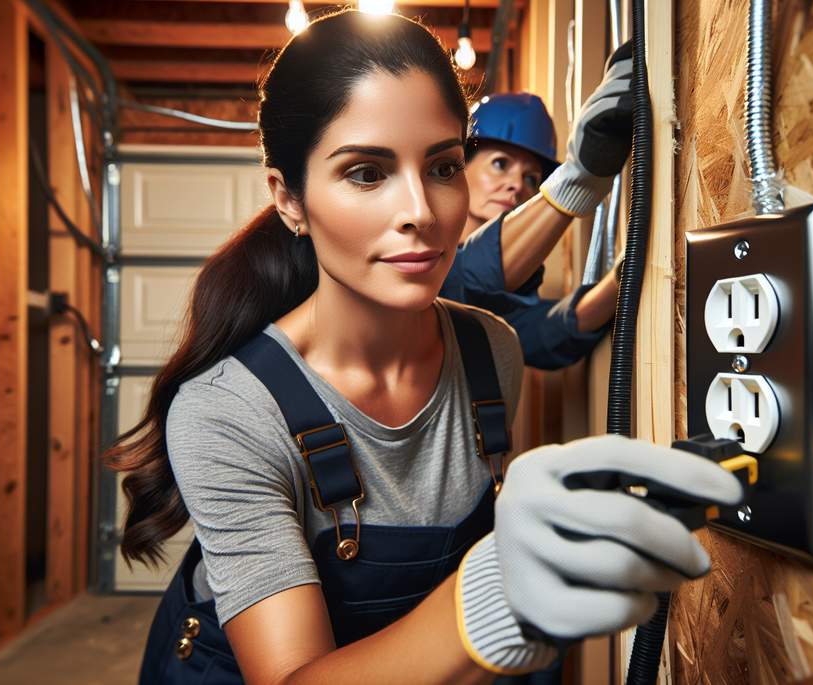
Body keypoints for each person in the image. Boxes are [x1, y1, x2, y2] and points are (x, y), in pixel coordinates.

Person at [108, 11, 740, 685]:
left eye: (441, 165)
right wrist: (493, 600)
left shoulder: (489, 350)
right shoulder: (228, 414)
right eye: (366, 172)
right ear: (288, 197)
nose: (422, 209)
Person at [439, 61, 630, 370]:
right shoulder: (420, 254)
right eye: (501, 164)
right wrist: (580, 179)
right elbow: (463, 278)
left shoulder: (509, 291)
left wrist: (623, 276)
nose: (517, 185)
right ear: (460, 166)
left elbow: (543, 334)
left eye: (531, 179)